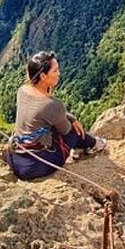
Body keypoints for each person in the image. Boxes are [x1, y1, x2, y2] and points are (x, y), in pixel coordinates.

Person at [7, 51, 107, 180]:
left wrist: (70, 117)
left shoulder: (22, 90)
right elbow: (65, 130)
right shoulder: (51, 104)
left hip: (15, 159)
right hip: (36, 166)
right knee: (74, 131)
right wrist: (73, 120)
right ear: (43, 76)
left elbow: (47, 115)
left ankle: (88, 145)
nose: (59, 74)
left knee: (57, 124)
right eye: (55, 71)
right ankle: (94, 144)